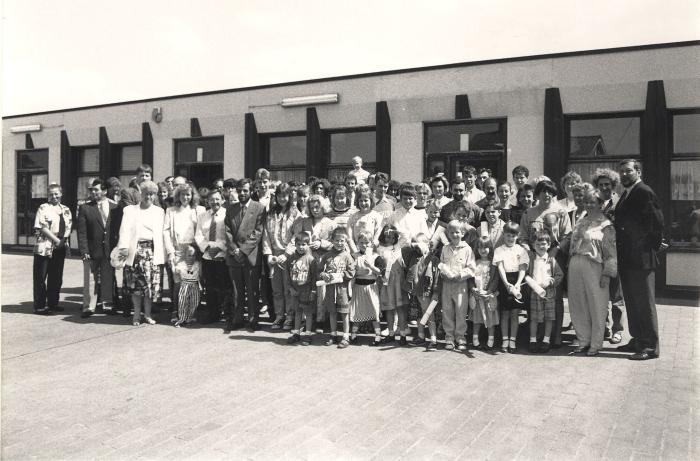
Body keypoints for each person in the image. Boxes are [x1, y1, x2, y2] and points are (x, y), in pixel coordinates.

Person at [614, 159, 664, 360]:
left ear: (638, 172)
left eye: (628, 171)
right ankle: (638, 339)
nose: (624, 175)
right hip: (627, 259)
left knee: (644, 303)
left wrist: (646, 249)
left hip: (641, 260)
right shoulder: (627, 193)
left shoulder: (644, 191)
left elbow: (656, 224)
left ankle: (650, 347)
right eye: (622, 172)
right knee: (633, 302)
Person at [568, 188, 617, 356]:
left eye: (593, 202)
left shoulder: (606, 225)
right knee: (578, 304)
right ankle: (583, 340)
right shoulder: (581, 221)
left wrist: (607, 274)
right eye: (587, 201)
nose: (589, 205)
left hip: (595, 266)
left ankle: (596, 344)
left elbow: (611, 253)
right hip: (576, 263)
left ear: (601, 204)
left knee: (597, 305)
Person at [117, 180, 165, 326]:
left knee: (149, 287)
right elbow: (124, 230)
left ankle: (148, 315)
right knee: (136, 287)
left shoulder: (159, 211)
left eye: (151, 194)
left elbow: (162, 233)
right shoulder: (130, 210)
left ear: (155, 195)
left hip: (152, 252)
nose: (148, 197)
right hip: (135, 252)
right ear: (140, 194)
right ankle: (136, 315)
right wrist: (123, 248)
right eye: (145, 194)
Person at [225, 179, 266, 332]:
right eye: (240, 190)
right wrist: (234, 249)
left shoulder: (259, 208)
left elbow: (258, 232)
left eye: (245, 191)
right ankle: (237, 319)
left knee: (252, 289)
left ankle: (253, 319)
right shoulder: (231, 209)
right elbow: (227, 230)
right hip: (234, 256)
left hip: (250, 255)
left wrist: (242, 251)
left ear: (251, 191)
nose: (242, 193)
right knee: (237, 290)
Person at [262, 183, 302, 330]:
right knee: (276, 289)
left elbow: (296, 236)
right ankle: (279, 315)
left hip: (288, 256)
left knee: (288, 288)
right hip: (274, 256)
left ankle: (290, 316)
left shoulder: (295, 214)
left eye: (285, 196)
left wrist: (287, 254)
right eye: (279, 196)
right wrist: (269, 254)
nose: (282, 199)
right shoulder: (270, 214)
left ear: (289, 197)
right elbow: (265, 235)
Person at [592, 168, 625, 344]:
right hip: (597, 255)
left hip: (614, 255)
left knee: (616, 295)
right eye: (601, 184)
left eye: (607, 184)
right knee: (600, 293)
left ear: (613, 185)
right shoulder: (593, 203)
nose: (604, 187)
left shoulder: (620, 202)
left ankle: (617, 330)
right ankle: (603, 327)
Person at [163, 183, 205, 322]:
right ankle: (176, 311)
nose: (185, 197)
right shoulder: (171, 211)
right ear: (178, 196)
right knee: (178, 283)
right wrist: (170, 252)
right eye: (182, 194)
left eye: (188, 194)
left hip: (194, 250)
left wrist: (197, 248)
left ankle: (191, 312)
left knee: (193, 283)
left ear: (192, 196)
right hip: (178, 250)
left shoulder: (199, 210)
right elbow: (166, 232)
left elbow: (201, 232)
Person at [77, 179, 118, 318]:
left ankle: (107, 304)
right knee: (90, 278)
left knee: (108, 277)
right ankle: (89, 306)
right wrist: (84, 251)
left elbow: (117, 230)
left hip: (109, 249)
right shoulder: (85, 208)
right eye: (91, 190)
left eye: (96, 190)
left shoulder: (115, 207)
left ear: (105, 191)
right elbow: (81, 233)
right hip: (91, 250)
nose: (93, 192)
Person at [32, 183, 73, 315]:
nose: (54, 196)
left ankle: (53, 303)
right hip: (45, 247)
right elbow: (42, 227)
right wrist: (57, 241)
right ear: (47, 195)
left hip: (59, 248)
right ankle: (39, 306)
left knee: (56, 278)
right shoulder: (43, 208)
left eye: (56, 193)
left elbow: (68, 228)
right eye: (51, 194)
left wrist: (64, 242)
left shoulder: (66, 209)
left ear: (61, 194)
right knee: (41, 277)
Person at [438, 220, 476, 351]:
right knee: (447, 311)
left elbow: (472, 268)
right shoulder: (445, 248)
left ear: (463, 233)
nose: (454, 235)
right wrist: (444, 273)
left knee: (461, 311)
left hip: (461, 285)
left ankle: (460, 336)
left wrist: (460, 275)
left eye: (457, 232)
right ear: (448, 233)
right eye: (452, 232)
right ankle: (449, 337)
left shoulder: (467, 249)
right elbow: (441, 264)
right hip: (447, 284)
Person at [493, 222, 529, 353]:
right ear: (504, 235)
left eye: (513, 236)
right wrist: (506, 283)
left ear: (517, 236)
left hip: (517, 281)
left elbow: (523, 268)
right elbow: (500, 267)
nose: (510, 238)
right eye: (508, 235)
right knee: (504, 313)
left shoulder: (521, 250)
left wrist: (518, 283)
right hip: (504, 281)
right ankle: (505, 340)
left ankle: (513, 340)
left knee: (514, 313)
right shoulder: (499, 250)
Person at [527, 230, 564, 353]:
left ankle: (546, 340)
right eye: (538, 244)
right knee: (534, 318)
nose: (541, 247)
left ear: (548, 245)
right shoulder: (531, 260)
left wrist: (551, 282)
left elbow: (559, 275)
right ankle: (532, 340)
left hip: (549, 294)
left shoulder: (552, 260)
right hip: (535, 293)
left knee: (549, 318)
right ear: (533, 246)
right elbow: (526, 275)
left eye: (543, 244)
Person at [318, 227, 356, 348]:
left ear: (346, 241)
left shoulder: (347, 256)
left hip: (343, 290)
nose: (339, 243)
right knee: (332, 312)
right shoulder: (327, 255)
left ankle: (345, 336)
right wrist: (323, 275)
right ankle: (333, 335)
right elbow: (319, 270)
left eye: (342, 241)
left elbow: (351, 272)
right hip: (330, 290)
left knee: (344, 313)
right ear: (332, 240)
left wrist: (340, 275)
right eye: (337, 240)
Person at [404, 233, 440, 350]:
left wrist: (435, 291)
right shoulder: (414, 257)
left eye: (419, 244)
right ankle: (421, 336)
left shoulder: (433, 259)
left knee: (429, 315)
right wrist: (413, 244)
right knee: (420, 315)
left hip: (426, 292)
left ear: (428, 244)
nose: (416, 247)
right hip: (415, 292)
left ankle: (433, 339)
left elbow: (436, 277)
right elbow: (404, 250)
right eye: (414, 245)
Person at [349, 230, 384, 346]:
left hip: (371, 287)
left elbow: (380, 272)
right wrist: (357, 272)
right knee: (357, 311)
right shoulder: (354, 256)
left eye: (367, 243)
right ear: (357, 243)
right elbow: (350, 271)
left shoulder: (375, 256)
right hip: (358, 287)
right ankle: (353, 335)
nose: (364, 245)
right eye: (362, 242)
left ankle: (378, 336)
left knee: (374, 311)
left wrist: (370, 266)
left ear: (371, 243)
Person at [285, 232, 318, 345]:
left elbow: (314, 277)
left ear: (308, 245)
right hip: (295, 291)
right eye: (298, 244)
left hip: (307, 291)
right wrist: (290, 288)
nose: (301, 247)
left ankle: (308, 334)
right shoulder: (290, 259)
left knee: (308, 313)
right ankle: (296, 334)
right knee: (297, 312)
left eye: (304, 244)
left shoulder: (310, 259)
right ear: (295, 244)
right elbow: (287, 275)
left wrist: (313, 291)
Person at [469, 237, 499, 350]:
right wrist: (473, 289)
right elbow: (470, 279)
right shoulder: (475, 263)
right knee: (477, 319)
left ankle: (490, 340)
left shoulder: (493, 264)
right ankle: (475, 339)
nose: (483, 250)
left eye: (486, 247)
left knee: (490, 319)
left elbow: (495, 279)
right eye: (480, 247)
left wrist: (489, 291)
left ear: (490, 248)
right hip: (477, 296)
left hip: (488, 296)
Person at [376, 224, 403, 344]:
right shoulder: (379, 248)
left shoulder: (397, 246)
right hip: (386, 281)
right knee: (389, 308)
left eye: (392, 237)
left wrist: (395, 230)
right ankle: (391, 333)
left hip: (398, 280)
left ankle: (402, 334)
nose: (390, 239)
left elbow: (406, 236)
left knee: (400, 308)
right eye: (387, 236)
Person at [385, 182, 429, 249]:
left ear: (415, 199)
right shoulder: (394, 215)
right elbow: (387, 233)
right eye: (405, 198)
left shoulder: (419, 215)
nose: (408, 201)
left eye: (410, 198)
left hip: (416, 250)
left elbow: (425, 235)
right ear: (401, 199)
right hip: (398, 250)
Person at [346, 184, 383, 253]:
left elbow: (377, 236)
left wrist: (369, 251)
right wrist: (356, 253)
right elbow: (349, 238)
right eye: (361, 201)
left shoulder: (377, 216)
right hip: (355, 251)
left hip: (372, 251)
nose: (363, 203)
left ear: (371, 201)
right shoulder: (353, 217)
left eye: (366, 200)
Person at [173, 244, 202, 327]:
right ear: (184, 255)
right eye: (189, 255)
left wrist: (201, 285)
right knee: (183, 302)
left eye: (193, 255)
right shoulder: (181, 264)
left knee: (194, 302)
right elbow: (176, 272)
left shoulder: (198, 264)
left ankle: (189, 318)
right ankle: (182, 319)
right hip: (185, 284)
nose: (191, 257)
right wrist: (173, 265)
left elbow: (200, 275)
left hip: (194, 285)